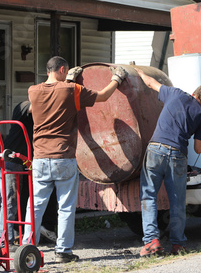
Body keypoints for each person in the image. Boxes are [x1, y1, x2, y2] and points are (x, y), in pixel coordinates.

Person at [22, 56, 128, 263]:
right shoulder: (72, 91)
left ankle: (28, 248)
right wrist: (117, 78)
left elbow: (37, 109)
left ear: (48, 70)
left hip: (40, 158)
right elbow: (103, 96)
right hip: (63, 158)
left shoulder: (33, 91)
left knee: (34, 206)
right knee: (65, 207)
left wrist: (68, 81)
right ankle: (63, 251)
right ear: (63, 69)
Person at [136, 68, 201, 256]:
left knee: (149, 195)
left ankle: (151, 241)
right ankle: (178, 244)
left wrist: (139, 71)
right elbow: (199, 148)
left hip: (156, 149)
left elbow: (151, 83)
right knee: (177, 202)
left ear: (193, 93)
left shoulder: (175, 94)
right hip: (177, 156)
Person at [0, 101, 32, 245]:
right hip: (12, 157)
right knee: (9, 200)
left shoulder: (25, 108)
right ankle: (4, 238)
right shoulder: (24, 105)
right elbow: (33, 108)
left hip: (10, 155)